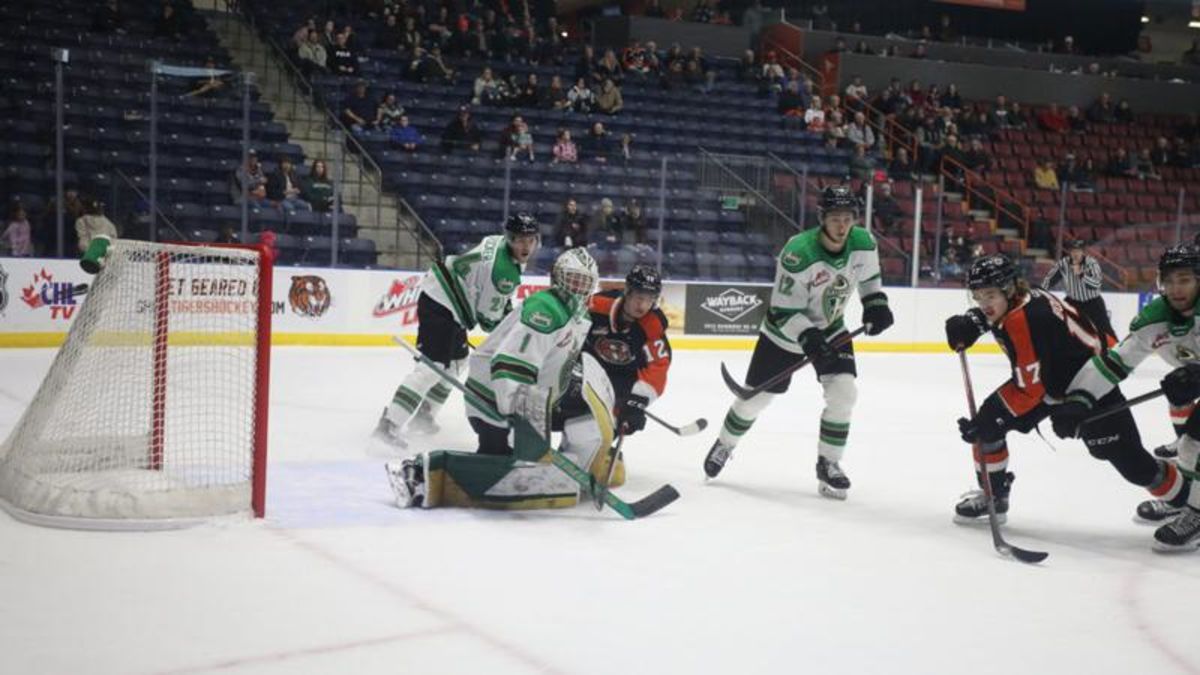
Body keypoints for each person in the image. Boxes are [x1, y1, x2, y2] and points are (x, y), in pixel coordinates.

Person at [944, 255, 1186, 550]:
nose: (984, 303)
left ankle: (1186, 501)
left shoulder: (1025, 318)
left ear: (1009, 289)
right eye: (978, 297)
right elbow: (1003, 327)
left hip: (1092, 385)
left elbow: (1028, 390)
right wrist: (974, 320)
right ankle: (994, 496)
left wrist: (986, 421)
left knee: (1133, 465)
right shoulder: (1023, 296)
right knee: (988, 428)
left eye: (990, 295)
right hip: (1050, 381)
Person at [703, 186, 894, 498]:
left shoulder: (863, 242)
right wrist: (807, 336)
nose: (842, 226)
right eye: (835, 219)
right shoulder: (798, 252)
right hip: (784, 333)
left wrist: (876, 304)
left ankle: (828, 465)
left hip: (832, 327)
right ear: (822, 219)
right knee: (755, 401)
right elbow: (782, 311)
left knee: (844, 393)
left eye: (847, 219)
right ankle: (725, 444)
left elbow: (870, 280)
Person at [385, 248, 608, 511]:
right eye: (573, 280)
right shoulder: (546, 309)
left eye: (585, 283)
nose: (578, 289)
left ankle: (572, 472)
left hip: (538, 403)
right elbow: (510, 364)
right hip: (493, 399)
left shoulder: (580, 317)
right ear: (558, 278)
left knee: (584, 419)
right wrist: (518, 415)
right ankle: (418, 472)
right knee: (504, 469)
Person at [1061, 245, 1200, 548]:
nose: (1176, 289)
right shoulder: (1156, 318)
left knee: (1194, 443)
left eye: (1185, 280)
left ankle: (1197, 512)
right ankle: (1188, 500)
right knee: (1190, 446)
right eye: (1169, 280)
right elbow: (1116, 361)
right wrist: (1080, 398)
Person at [373, 214, 542, 448]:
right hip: (441, 302)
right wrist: (511, 326)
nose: (526, 246)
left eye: (531, 240)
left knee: (457, 364)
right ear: (510, 239)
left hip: (451, 302)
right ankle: (388, 426)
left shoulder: (499, 244)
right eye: (521, 240)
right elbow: (487, 321)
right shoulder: (504, 272)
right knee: (431, 369)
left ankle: (423, 416)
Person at [584, 265, 671, 436]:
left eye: (650, 299)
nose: (643, 305)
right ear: (628, 292)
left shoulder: (652, 325)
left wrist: (637, 402)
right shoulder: (597, 306)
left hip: (622, 380)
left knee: (612, 425)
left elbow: (659, 365)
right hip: (587, 370)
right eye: (639, 297)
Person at [1042, 239, 1115, 341]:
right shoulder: (1063, 264)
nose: (1075, 253)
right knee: (1060, 324)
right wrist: (1041, 290)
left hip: (1092, 302)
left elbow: (1096, 284)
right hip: (1072, 301)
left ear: (1083, 252)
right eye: (1073, 251)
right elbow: (1050, 279)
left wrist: (1082, 275)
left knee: (1104, 329)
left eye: (1078, 251)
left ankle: (1114, 350)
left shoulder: (1091, 263)